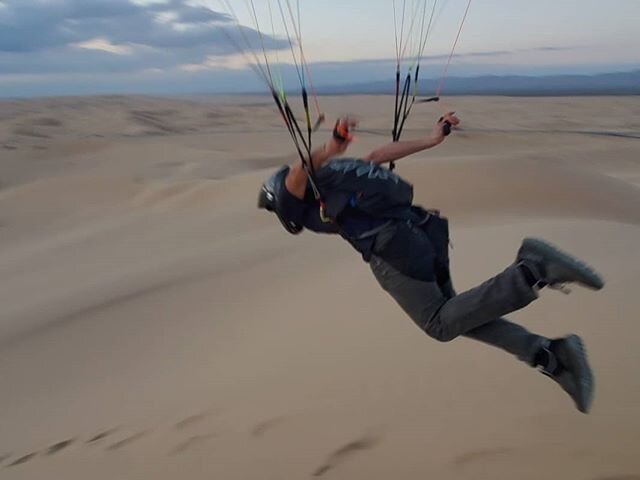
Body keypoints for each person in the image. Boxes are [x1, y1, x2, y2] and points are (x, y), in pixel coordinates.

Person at [257, 113, 604, 414]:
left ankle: (532, 270)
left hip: (394, 247)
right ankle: (551, 356)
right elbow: (378, 155)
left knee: (438, 324)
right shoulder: (335, 176)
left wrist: (331, 146)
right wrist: (432, 139)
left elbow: (299, 171)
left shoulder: (296, 191)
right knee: (459, 314)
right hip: (423, 230)